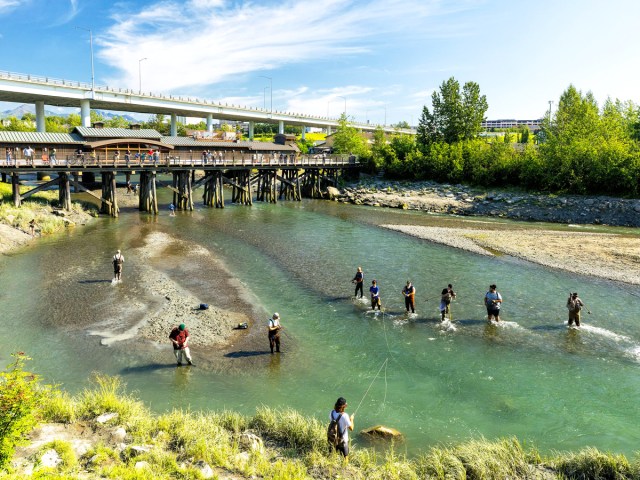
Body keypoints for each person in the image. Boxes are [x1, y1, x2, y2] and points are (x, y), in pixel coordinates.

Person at [329, 397, 354, 461]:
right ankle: (344, 468)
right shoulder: (345, 415)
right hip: (343, 440)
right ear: (344, 406)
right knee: (346, 457)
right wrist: (351, 419)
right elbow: (351, 428)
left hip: (333, 438)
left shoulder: (331, 413)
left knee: (332, 455)